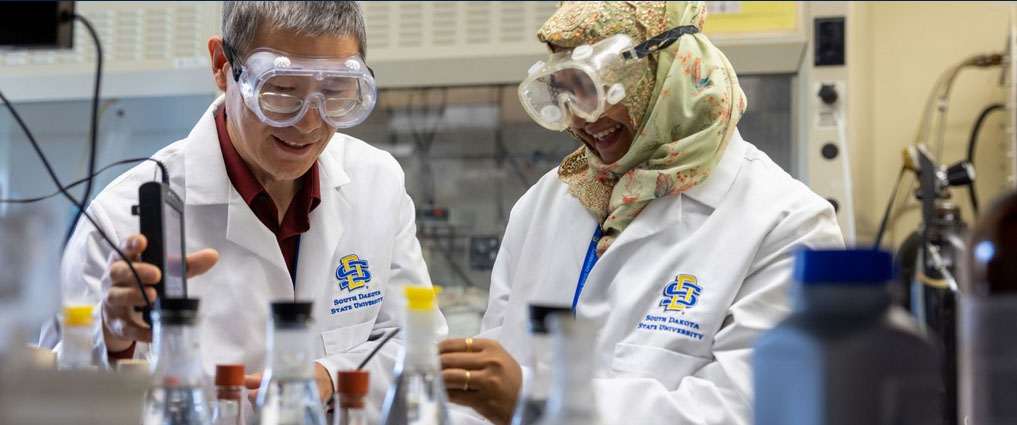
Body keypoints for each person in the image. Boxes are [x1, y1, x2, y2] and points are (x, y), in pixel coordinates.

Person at [438, 2, 844, 424]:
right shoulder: (546, 201)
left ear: (668, 73)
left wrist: (541, 402)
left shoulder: (788, 225)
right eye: (561, 92)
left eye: (592, 87)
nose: (579, 118)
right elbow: (488, 386)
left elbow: (748, 409)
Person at [45, 1, 444, 415]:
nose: (308, 124)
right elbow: (54, 405)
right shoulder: (113, 220)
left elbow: (419, 342)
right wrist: (110, 339)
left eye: (334, 92)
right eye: (282, 91)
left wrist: (329, 377)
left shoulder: (377, 183)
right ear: (222, 65)